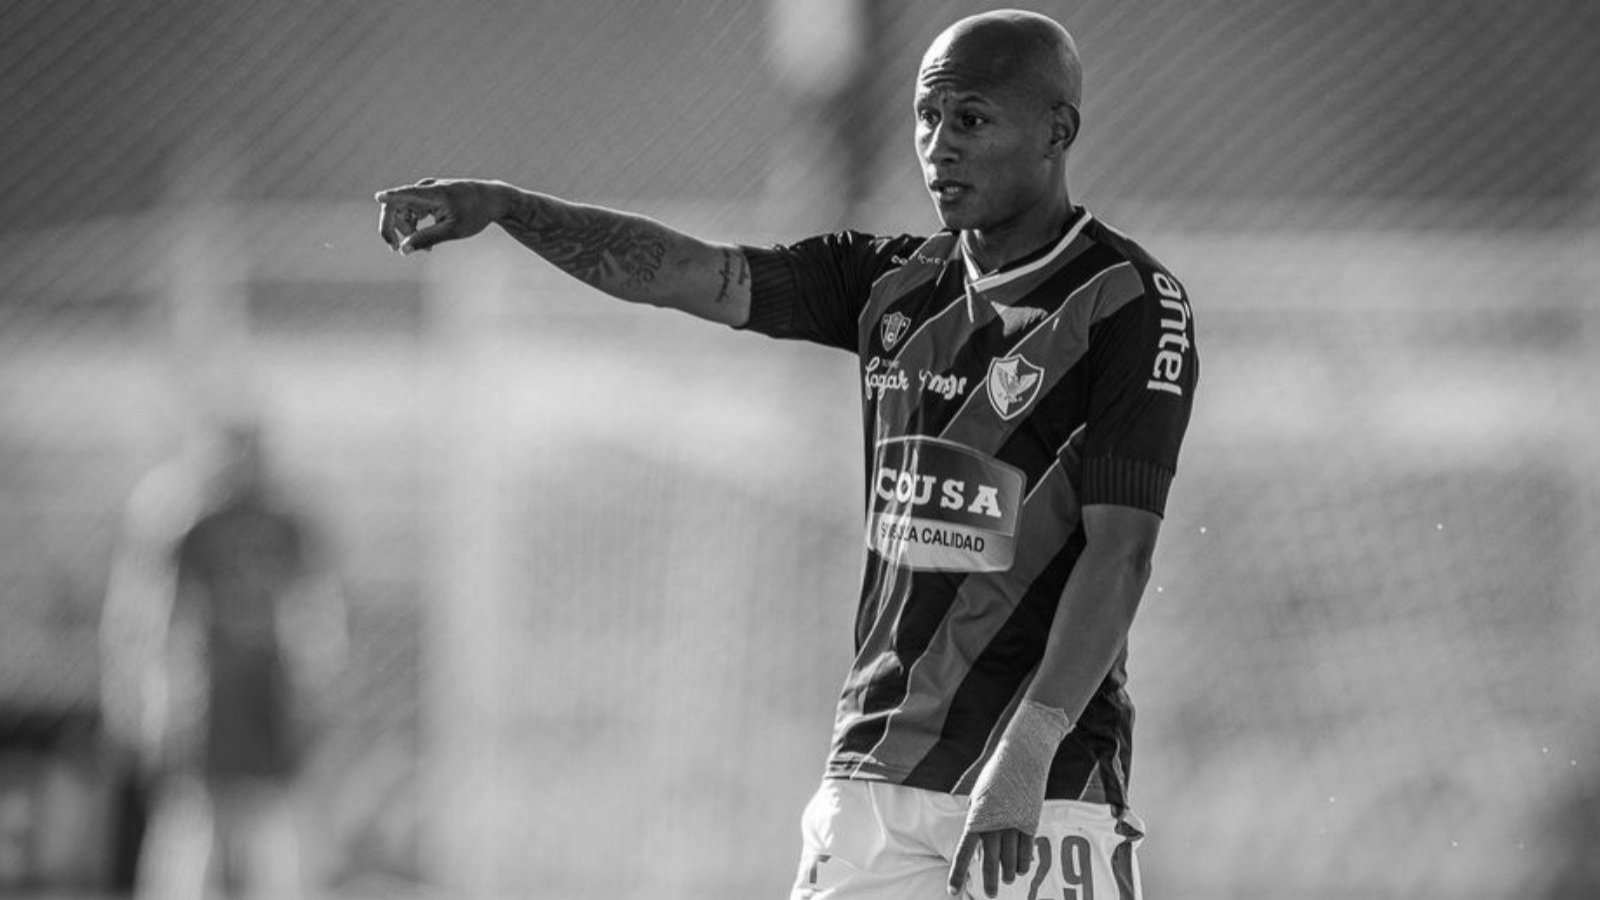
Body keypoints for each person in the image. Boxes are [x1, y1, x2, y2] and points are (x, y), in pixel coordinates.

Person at [375, 9, 1196, 898]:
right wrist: (507, 207)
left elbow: (1123, 551)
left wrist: (1028, 752)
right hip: (874, 776)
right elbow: (682, 272)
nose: (939, 145)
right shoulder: (888, 284)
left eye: (971, 119)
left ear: (1057, 130)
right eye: (927, 117)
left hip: (1045, 787)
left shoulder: (1127, 302)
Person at [101, 417, 346, 900]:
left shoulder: (283, 523)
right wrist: (155, 695)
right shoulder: (186, 521)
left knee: (268, 819)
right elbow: (154, 617)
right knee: (196, 816)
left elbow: (315, 610)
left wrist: (315, 684)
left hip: (265, 689)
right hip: (204, 692)